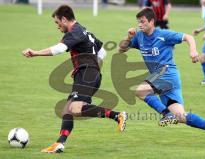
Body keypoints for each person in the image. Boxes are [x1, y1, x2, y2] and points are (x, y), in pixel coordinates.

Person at [22, 5, 127, 153]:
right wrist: (92, 67)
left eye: (58, 23)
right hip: (88, 73)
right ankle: (59, 143)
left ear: (64, 19)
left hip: (86, 74)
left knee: (75, 109)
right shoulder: (84, 30)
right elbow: (102, 51)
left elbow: (58, 49)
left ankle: (117, 115)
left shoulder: (74, 32)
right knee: (68, 109)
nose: (58, 27)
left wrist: (35, 53)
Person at [119, 8, 205, 143]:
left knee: (140, 90)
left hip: (166, 73)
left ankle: (166, 114)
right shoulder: (139, 37)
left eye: (143, 22)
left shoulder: (163, 34)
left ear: (151, 21)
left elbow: (189, 37)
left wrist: (193, 51)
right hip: (161, 78)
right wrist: (128, 37)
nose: (140, 25)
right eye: (138, 22)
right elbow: (121, 49)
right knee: (181, 116)